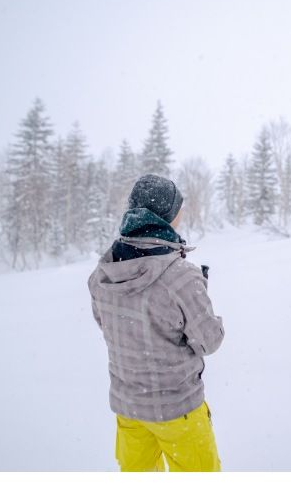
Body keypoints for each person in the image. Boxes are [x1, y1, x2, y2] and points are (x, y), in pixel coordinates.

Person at [88, 174, 224, 472]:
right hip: (179, 412)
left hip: (129, 410)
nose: (182, 214)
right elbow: (209, 340)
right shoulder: (182, 277)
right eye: (179, 208)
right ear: (167, 216)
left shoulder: (104, 272)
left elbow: (109, 325)